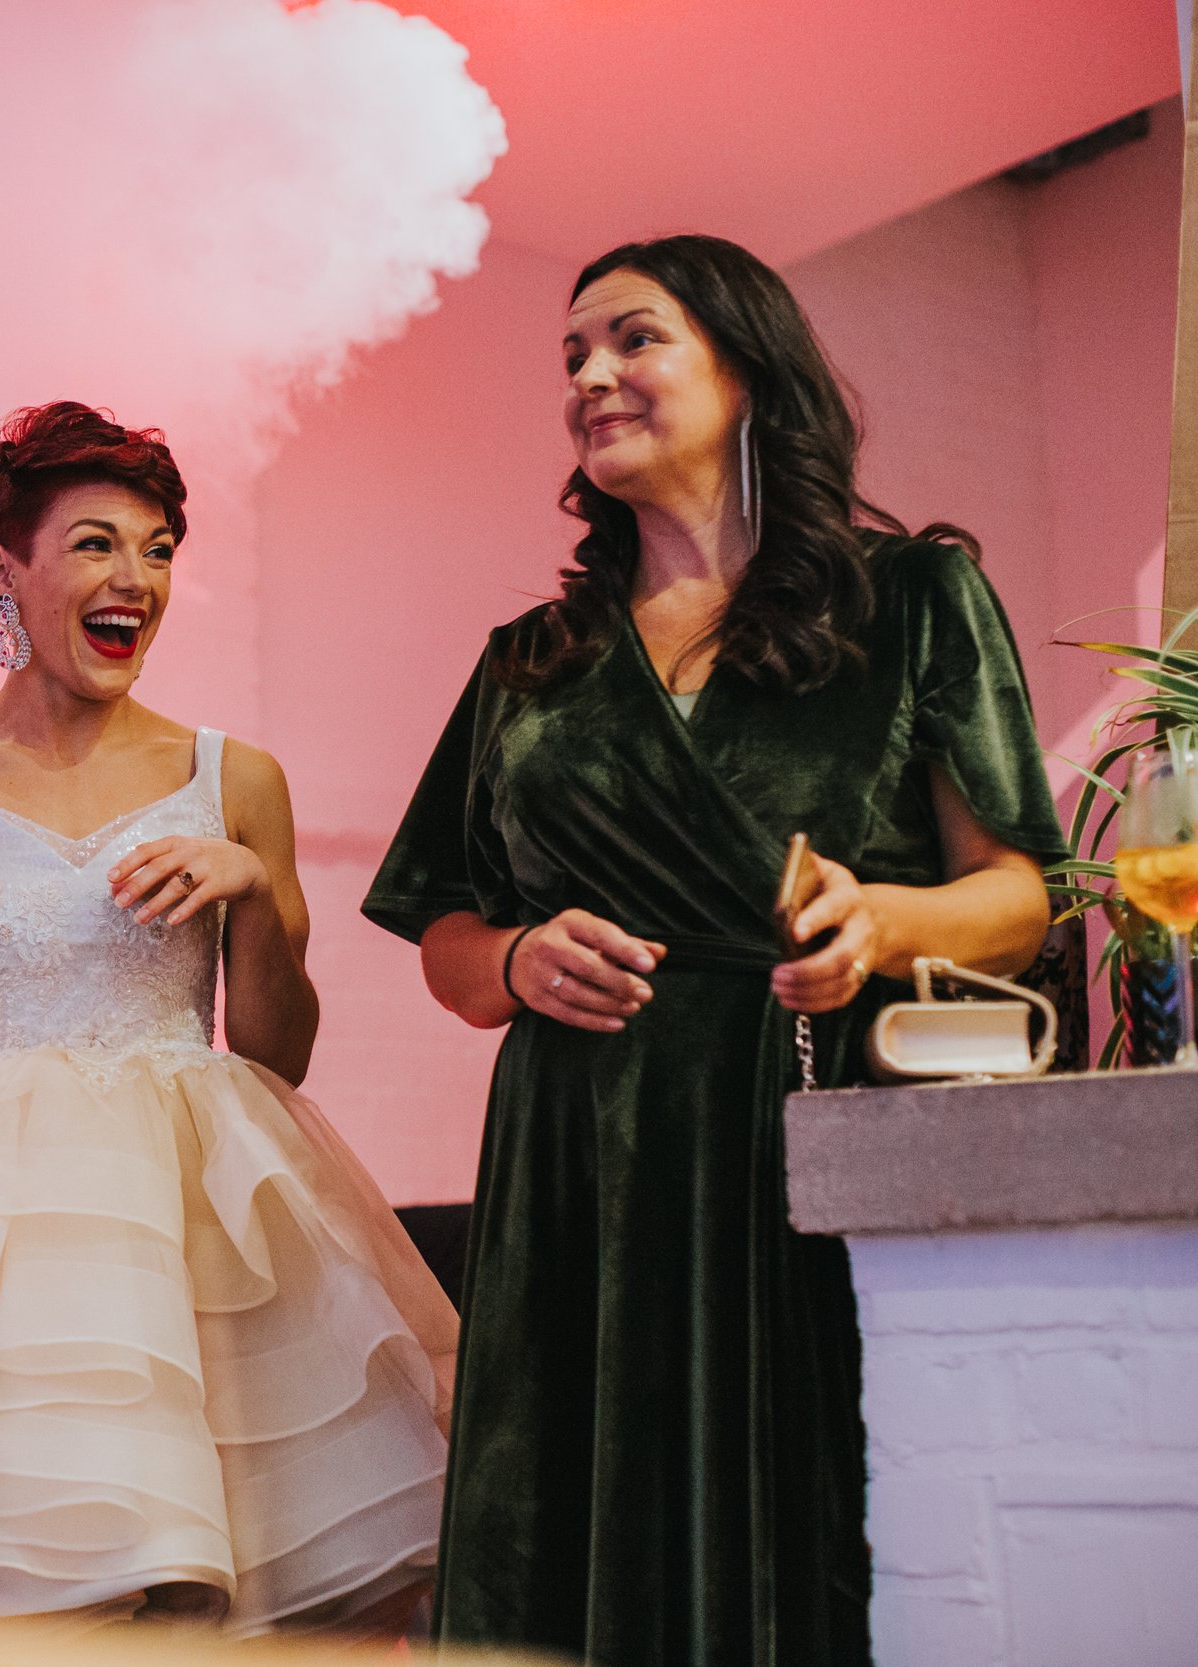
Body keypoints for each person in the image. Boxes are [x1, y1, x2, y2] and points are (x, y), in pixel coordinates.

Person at [363, 235, 1067, 1666]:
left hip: (795, 1122)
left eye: (633, 339)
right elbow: (442, 931)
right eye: (571, 356)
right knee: (559, 1529)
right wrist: (510, 961)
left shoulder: (913, 599)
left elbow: (1021, 890)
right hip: (578, 1163)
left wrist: (885, 918)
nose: (591, 376)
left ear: (751, 368)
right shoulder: (528, 662)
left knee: (817, 1522)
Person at [0, 401, 456, 1635]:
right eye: (98, 543)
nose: (137, 579)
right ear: (4, 571)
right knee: (27, 1595)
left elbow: (278, 1052)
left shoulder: (237, 777)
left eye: (159, 548)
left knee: (196, 1591)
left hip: (197, 1237)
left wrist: (255, 888)